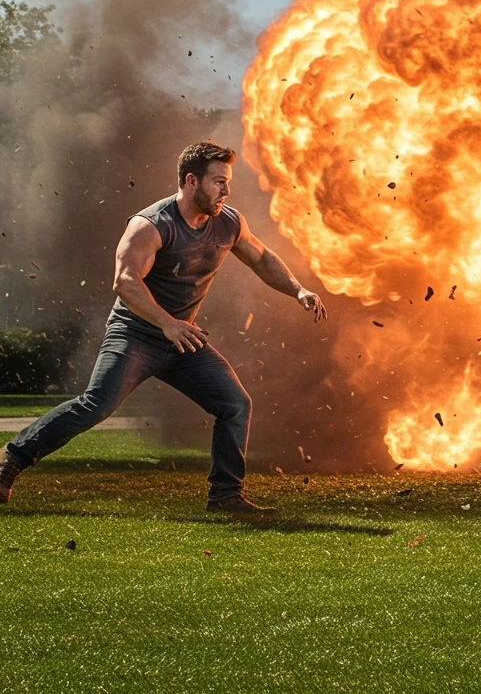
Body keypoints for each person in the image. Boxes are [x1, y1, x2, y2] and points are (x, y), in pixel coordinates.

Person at [0, 141, 326, 515]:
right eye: (218, 181)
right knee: (95, 406)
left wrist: (298, 289)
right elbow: (125, 281)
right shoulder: (153, 224)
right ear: (192, 181)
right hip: (136, 335)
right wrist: (167, 324)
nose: (226, 190)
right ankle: (12, 457)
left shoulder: (229, 222)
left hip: (182, 339)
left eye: (227, 182)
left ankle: (226, 497)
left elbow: (261, 257)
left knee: (234, 404)